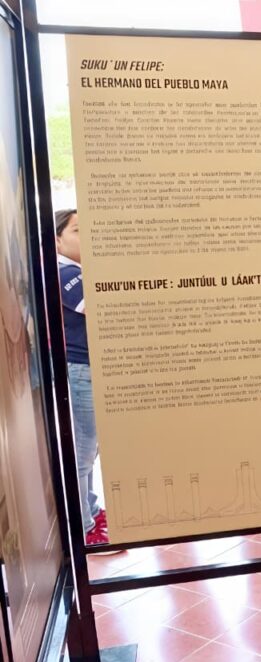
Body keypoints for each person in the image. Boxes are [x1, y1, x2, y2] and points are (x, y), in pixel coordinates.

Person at [55, 209, 107, 545]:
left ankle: (90, 511)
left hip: (88, 369)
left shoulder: (78, 271)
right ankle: (85, 530)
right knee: (84, 449)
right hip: (81, 369)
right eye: (76, 230)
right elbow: (99, 308)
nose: (85, 236)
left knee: (90, 447)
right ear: (57, 240)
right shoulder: (66, 274)